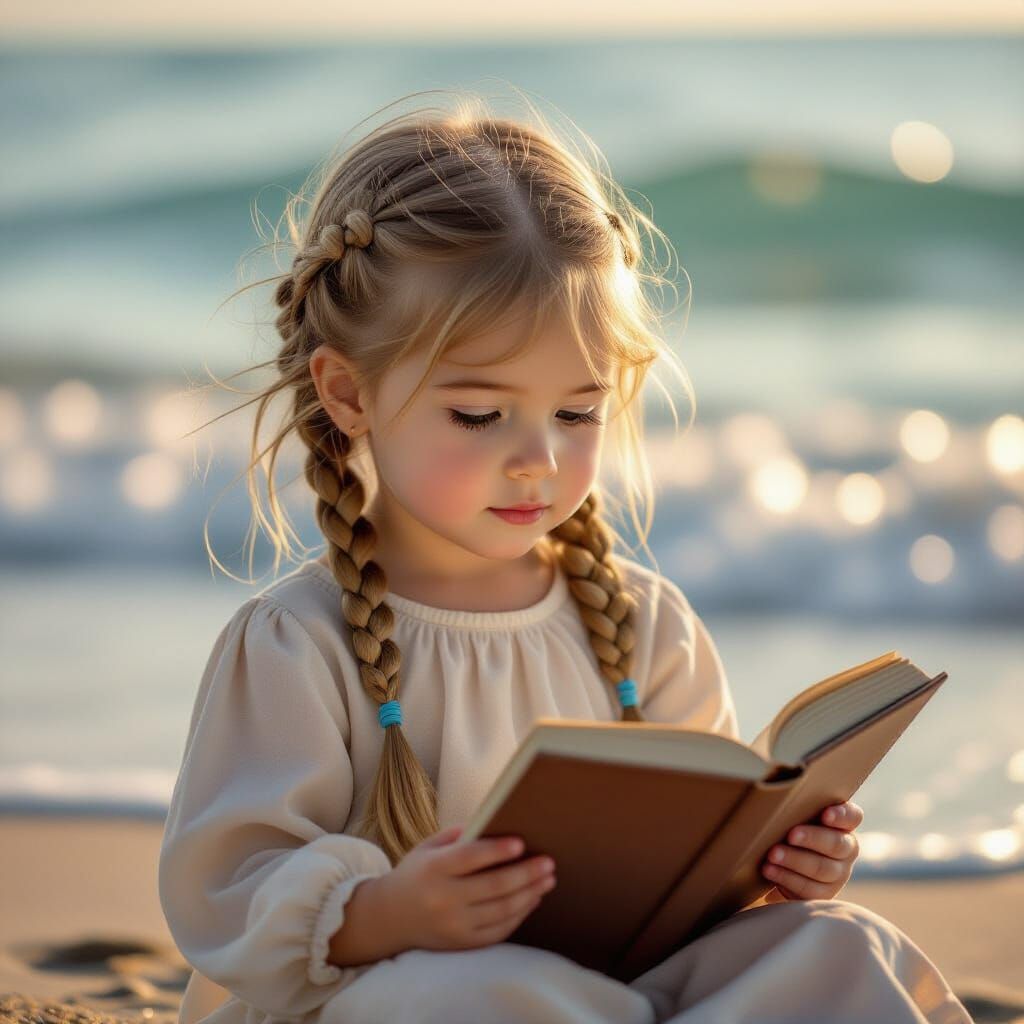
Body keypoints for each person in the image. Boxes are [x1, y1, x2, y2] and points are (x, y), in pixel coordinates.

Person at [158, 90, 973, 1024]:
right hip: (393, 997)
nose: (538, 458)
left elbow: (689, 881)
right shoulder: (298, 644)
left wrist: (774, 874)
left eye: (577, 413)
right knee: (485, 994)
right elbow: (224, 896)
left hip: (606, 987)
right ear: (348, 393)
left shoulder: (646, 626)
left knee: (842, 945)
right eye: (478, 413)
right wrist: (391, 910)